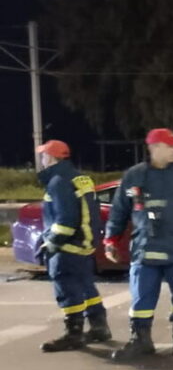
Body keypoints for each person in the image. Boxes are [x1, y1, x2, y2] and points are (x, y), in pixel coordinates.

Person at [104, 128, 173, 361]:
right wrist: (111, 239)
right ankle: (141, 341)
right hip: (145, 250)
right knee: (141, 298)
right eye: (171, 146)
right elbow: (119, 210)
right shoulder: (134, 176)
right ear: (155, 148)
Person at [36, 140, 112, 352]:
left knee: (67, 287)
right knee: (86, 285)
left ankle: (73, 334)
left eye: (43, 155)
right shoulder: (79, 178)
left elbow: (65, 221)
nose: (42, 159)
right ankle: (99, 327)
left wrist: (51, 243)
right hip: (84, 244)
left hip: (67, 247)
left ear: (51, 157)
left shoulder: (58, 182)